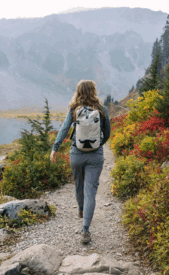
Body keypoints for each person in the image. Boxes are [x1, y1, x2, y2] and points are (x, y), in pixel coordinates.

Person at [50, 80, 111, 244]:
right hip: (95, 156)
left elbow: (64, 129)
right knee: (90, 190)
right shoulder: (101, 109)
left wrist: (55, 148)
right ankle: (85, 230)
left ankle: (81, 209)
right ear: (94, 91)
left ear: (78, 92)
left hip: (76, 154)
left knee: (79, 183)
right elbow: (108, 133)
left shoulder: (73, 109)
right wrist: (98, 145)